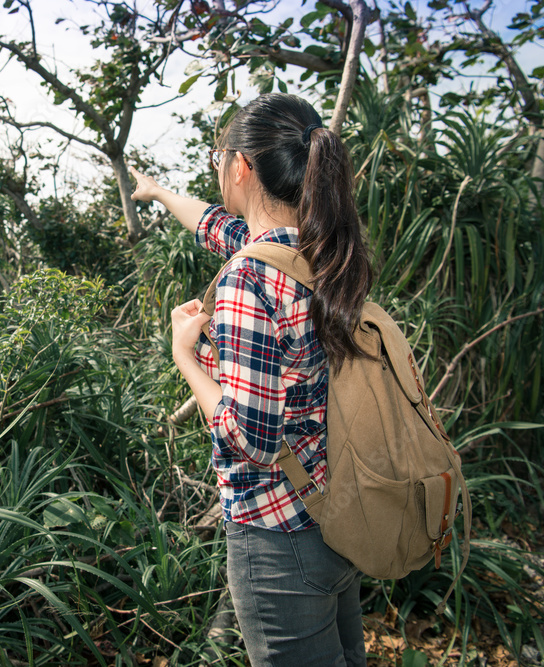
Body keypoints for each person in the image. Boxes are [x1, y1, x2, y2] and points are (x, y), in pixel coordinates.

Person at [130, 92, 372, 666]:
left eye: (220, 156)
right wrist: (161, 192)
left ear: (240, 166)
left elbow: (253, 439)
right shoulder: (321, 253)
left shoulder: (249, 279)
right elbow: (215, 226)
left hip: (276, 537)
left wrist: (186, 356)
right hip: (334, 516)